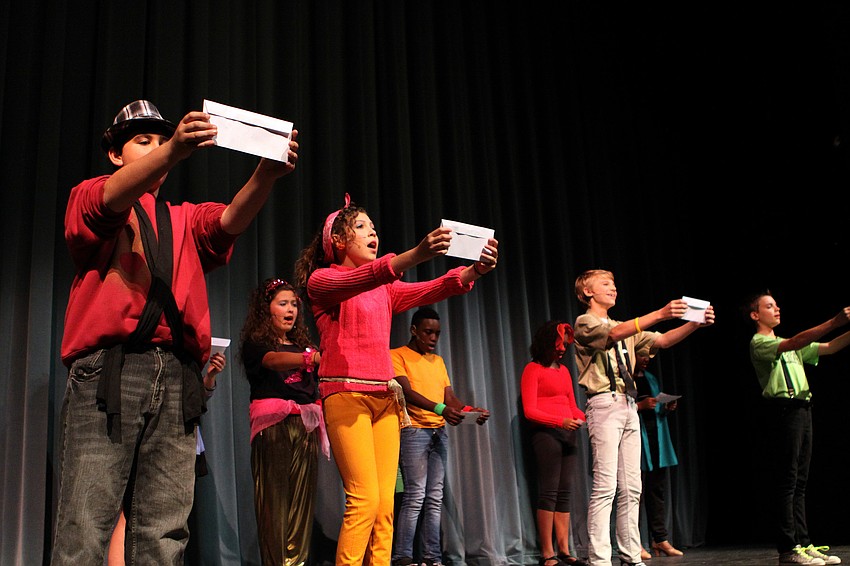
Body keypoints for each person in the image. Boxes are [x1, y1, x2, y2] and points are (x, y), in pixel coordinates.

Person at [52, 99, 298, 565]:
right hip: (111, 371)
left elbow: (227, 222)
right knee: (86, 523)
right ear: (115, 154)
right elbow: (106, 203)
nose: (156, 148)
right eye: (142, 141)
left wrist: (265, 174)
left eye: (162, 140)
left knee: (164, 530)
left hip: (178, 376)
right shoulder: (92, 194)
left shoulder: (183, 218)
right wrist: (175, 152)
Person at [293, 194, 498, 565]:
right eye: (361, 227)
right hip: (346, 395)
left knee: (386, 503)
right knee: (364, 499)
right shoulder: (322, 281)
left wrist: (474, 271)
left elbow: (432, 289)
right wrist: (416, 254)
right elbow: (369, 275)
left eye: (374, 228)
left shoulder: (383, 290)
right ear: (337, 241)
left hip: (385, 401)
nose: (373, 233)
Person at [572, 269, 714, 566]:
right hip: (603, 404)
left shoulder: (626, 325)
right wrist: (661, 313)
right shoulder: (585, 321)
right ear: (587, 293)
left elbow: (661, 341)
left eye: (614, 283)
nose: (613, 288)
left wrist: (694, 323)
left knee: (632, 486)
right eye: (605, 284)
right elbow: (612, 335)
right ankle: (598, 559)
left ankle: (631, 554)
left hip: (627, 404)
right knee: (605, 486)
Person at [746, 291, 848, 565]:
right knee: (787, 481)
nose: (777, 309)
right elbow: (796, 342)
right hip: (784, 411)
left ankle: (804, 542)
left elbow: (829, 348)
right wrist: (834, 321)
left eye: (777, 304)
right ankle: (788, 548)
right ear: (755, 315)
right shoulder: (760, 343)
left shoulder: (787, 344)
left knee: (800, 482)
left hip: (803, 409)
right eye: (769, 306)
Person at [390, 307, 490, 566]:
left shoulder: (438, 362)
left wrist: (468, 410)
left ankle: (432, 557)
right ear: (414, 330)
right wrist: (441, 409)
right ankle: (402, 556)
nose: (433, 338)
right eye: (428, 332)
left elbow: (449, 397)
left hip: (438, 432)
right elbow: (407, 392)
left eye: (437, 333)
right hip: (413, 431)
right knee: (415, 495)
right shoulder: (397, 355)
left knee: (434, 497)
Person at [239, 278, 327, 566]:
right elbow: (275, 361)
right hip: (273, 428)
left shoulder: (304, 345)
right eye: (282, 304)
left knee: (302, 504)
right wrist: (308, 358)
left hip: (305, 427)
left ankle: (296, 563)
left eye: (294, 304)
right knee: (274, 506)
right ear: (267, 309)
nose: (290, 310)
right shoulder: (257, 344)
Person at [108, 353, 227, 566]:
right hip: (145, 430)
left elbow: (195, 399)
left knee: (165, 517)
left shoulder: (183, 366)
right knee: (131, 509)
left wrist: (210, 376)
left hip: (175, 435)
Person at [520, 320, 588, 566]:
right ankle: (547, 552)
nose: (562, 349)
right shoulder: (532, 369)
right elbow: (530, 411)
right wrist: (560, 422)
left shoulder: (564, 370)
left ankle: (564, 549)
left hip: (568, 434)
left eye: (564, 345)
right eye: (558, 345)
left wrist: (584, 418)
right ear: (546, 344)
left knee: (565, 493)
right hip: (547, 435)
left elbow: (572, 405)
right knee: (548, 492)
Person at [632, 353, 682, 559]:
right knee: (636, 494)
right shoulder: (626, 379)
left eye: (649, 355)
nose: (646, 358)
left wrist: (666, 408)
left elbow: (656, 410)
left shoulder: (651, 378)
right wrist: (639, 406)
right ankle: (634, 543)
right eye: (642, 354)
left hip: (656, 441)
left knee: (656, 491)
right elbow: (619, 409)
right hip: (637, 442)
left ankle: (659, 539)